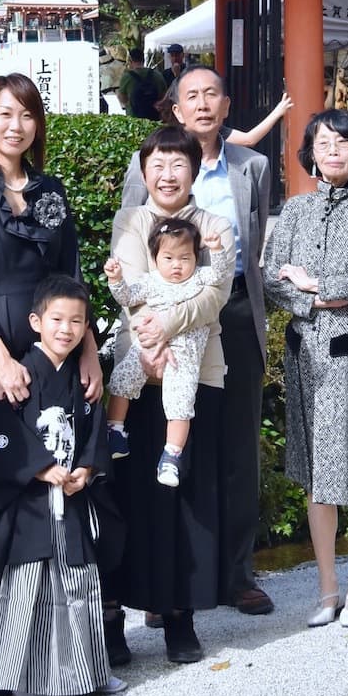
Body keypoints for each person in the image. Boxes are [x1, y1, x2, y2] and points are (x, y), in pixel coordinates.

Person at [0, 74, 102, 616]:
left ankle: (46, 631)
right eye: (5, 114)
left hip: (53, 354)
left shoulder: (49, 190)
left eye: (27, 115)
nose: (16, 126)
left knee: (53, 484)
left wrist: (88, 348)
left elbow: (70, 274)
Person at [120, 65, 273, 615]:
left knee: (236, 448)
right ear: (176, 108)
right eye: (192, 96)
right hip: (162, 321)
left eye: (212, 94)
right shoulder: (150, 165)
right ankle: (168, 580)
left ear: (227, 106)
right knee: (170, 441)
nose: (203, 104)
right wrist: (149, 328)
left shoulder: (252, 167)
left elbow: (253, 248)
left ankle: (237, 573)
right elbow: (133, 248)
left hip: (232, 313)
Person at [105, 126, 234, 665]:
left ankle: (180, 616)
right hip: (138, 372)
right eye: (157, 164)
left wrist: (165, 327)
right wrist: (149, 341)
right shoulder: (130, 221)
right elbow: (133, 288)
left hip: (195, 374)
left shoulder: (214, 227)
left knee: (187, 500)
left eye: (178, 164)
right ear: (144, 170)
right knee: (128, 499)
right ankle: (113, 619)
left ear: (195, 170)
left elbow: (215, 295)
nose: (167, 174)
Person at [0, 276, 122, 696]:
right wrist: (38, 467)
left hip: (70, 499)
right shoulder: (20, 373)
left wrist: (87, 469)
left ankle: (85, 674)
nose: (66, 329)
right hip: (29, 505)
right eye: (56, 319)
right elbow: (2, 434)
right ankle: (17, 684)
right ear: (36, 322)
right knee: (26, 591)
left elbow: (94, 432)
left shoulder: (81, 377)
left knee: (77, 583)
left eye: (76, 321)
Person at [264, 109, 348, 629]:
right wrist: (315, 299)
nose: (333, 150)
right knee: (317, 472)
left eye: (343, 141)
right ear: (310, 154)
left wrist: (313, 283)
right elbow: (272, 278)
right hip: (306, 354)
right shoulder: (295, 210)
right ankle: (326, 587)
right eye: (323, 143)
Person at [104, 215, 234, 485]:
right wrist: (116, 279)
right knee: (121, 380)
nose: (177, 265)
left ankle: (172, 455)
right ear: (155, 258)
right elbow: (126, 297)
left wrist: (217, 250)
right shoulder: (151, 281)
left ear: (195, 258)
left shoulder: (199, 278)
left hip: (183, 357)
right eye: (168, 258)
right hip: (147, 347)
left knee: (180, 404)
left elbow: (221, 276)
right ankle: (115, 430)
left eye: (185, 258)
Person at [117, 48, 167, 121]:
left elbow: (122, 98)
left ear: (130, 60)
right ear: (143, 59)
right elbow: (164, 95)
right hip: (154, 118)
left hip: (134, 119)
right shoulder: (157, 75)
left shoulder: (127, 77)